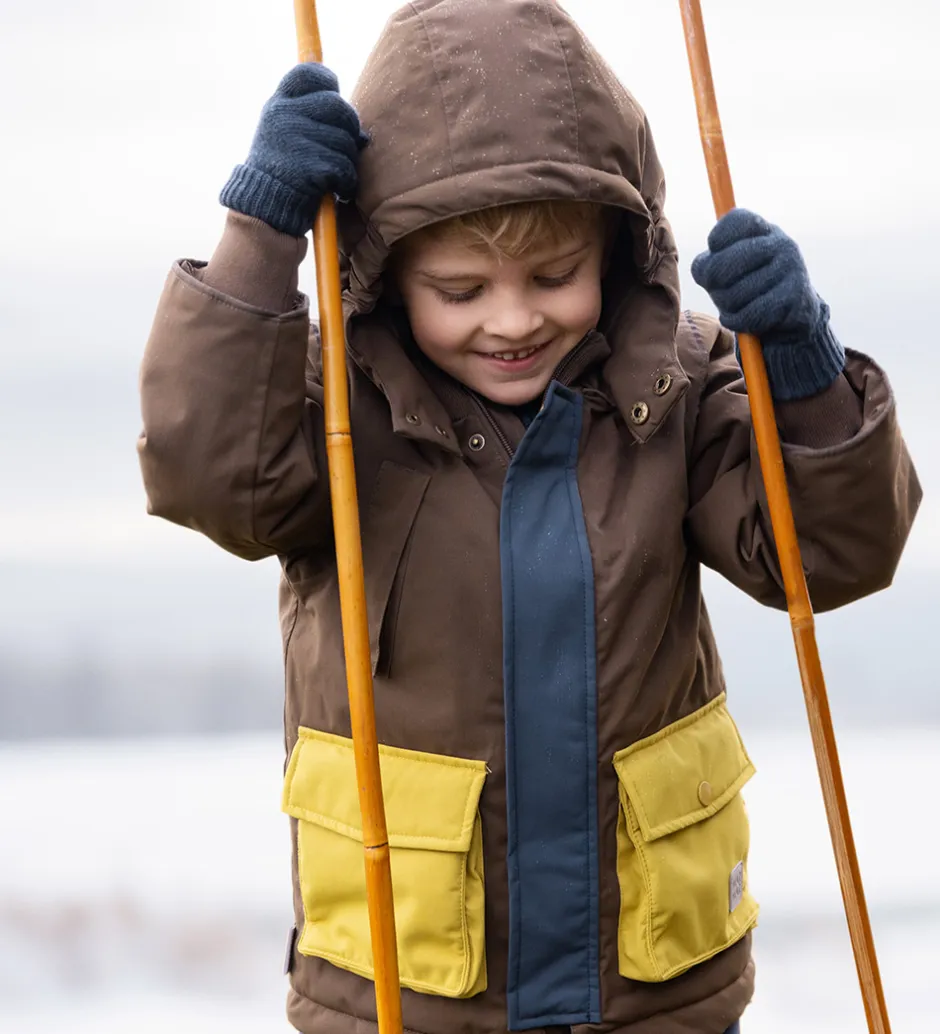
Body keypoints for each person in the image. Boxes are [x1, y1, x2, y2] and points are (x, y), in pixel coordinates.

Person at [137, 2, 920, 1032]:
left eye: (554, 276)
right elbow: (206, 476)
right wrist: (261, 234)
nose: (512, 320)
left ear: (618, 250)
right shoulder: (335, 410)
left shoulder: (679, 384)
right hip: (405, 989)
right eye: (459, 289)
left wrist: (804, 369)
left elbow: (828, 553)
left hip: (653, 989)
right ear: (382, 275)